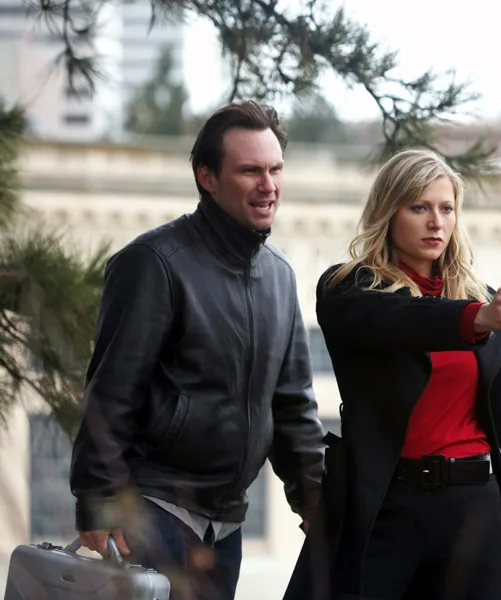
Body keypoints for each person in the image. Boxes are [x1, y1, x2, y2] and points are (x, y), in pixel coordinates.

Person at [69, 101, 327, 600]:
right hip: (153, 507)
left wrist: (316, 503)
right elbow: (112, 392)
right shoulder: (153, 263)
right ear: (207, 177)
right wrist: (98, 501)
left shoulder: (279, 276)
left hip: (226, 523)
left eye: (275, 170)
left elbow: (293, 408)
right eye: (250, 171)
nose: (268, 185)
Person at [284, 149, 501, 600]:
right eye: (419, 207)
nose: (436, 222)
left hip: (473, 509)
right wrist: (477, 319)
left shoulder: (482, 300)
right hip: (385, 505)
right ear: (389, 212)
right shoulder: (347, 289)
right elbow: (403, 319)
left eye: (447, 209)